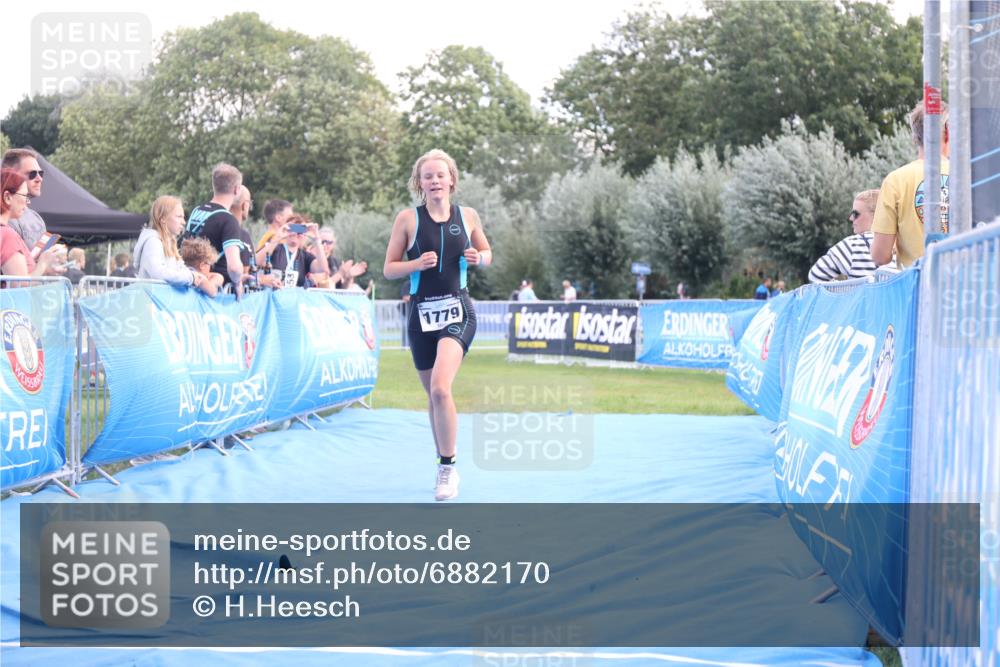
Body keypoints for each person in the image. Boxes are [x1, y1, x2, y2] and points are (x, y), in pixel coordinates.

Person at [383, 148, 492, 501]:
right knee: (433, 395)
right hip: (421, 315)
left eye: (440, 175)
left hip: (458, 311)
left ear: (451, 180)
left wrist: (479, 258)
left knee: (441, 389)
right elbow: (388, 268)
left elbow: (488, 254)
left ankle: (448, 468)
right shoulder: (407, 219)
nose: (434, 181)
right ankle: (442, 461)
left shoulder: (468, 216)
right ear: (419, 183)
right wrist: (415, 264)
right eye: (427, 176)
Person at [871, 101, 950, 269]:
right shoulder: (969, 176)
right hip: (966, 279)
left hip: (918, 280)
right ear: (949, 132)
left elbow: (880, 256)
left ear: (915, 138)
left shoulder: (895, 180)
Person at [185, 163, 245, 295]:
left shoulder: (197, 210)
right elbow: (234, 268)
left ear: (214, 186)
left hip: (191, 284)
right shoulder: (228, 220)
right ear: (237, 190)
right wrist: (238, 283)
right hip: (215, 293)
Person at [133, 195, 212, 293]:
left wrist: (197, 275)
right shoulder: (153, 242)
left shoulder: (168, 243)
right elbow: (158, 273)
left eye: (183, 217)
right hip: (149, 300)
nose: (183, 222)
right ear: (163, 218)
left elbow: (180, 269)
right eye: (179, 217)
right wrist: (191, 277)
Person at [809, 189, 882, 282]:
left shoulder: (853, 245)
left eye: (856, 214)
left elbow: (815, 275)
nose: (851, 218)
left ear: (876, 216)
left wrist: (843, 287)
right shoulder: (898, 243)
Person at [1, 168, 62, 277]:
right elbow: (20, 283)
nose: (27, 202)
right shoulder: (7, 234)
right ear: (7, 197)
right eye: (25, 196)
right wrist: (43, 263)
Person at [2, 148, 48, 249]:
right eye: (32, 174)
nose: (39, 179)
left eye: (41, 173)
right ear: (11, 175)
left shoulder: (37, 218)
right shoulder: (5, 218)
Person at [269, 214, 329, 288]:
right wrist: (277, 237)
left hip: (296, 295)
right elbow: (258, 262)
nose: (295, 233)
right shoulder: (275, 249)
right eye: (293, 228)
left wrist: (316, 239)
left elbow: (323, 269)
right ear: (285, 229)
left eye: (300, 229)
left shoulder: (305, 256)